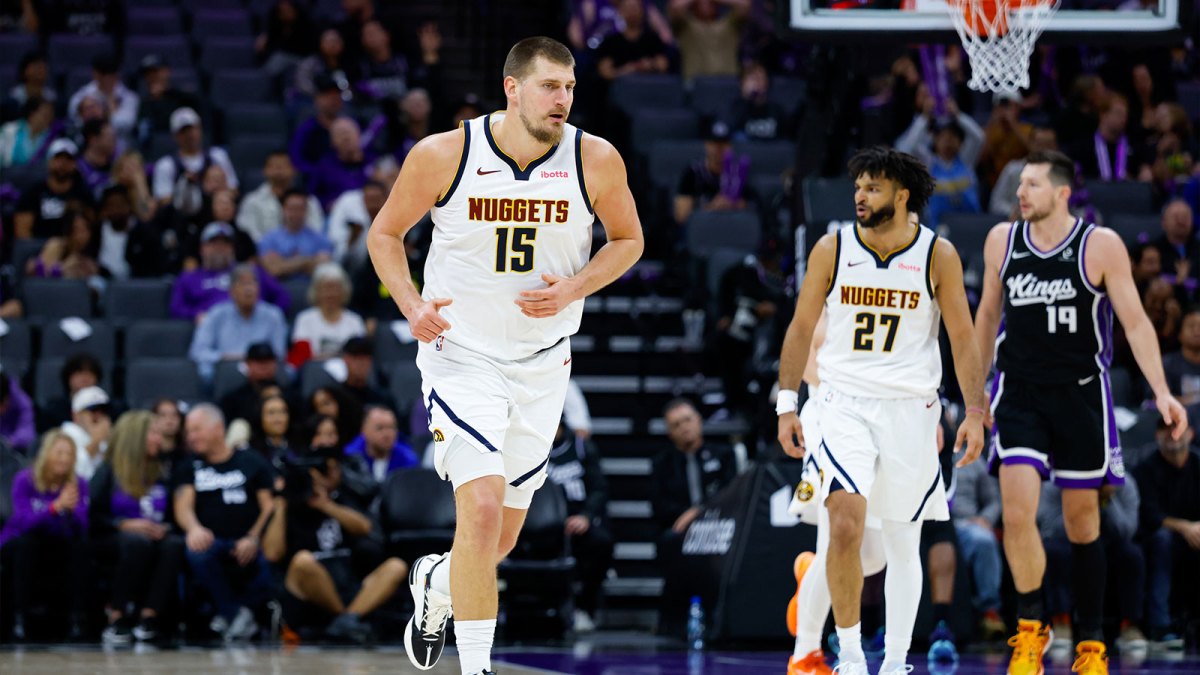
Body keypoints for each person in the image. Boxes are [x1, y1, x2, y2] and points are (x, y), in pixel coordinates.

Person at [366, 36, 643, 675]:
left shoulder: (594, 158)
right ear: (512, 88)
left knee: (500, 538)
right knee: (482, 509)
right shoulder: (445, 153)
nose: (563, 99)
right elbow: (385, 233)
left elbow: (628, 241)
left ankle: (437, 586)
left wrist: (577, 285)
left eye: (570, 87)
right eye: (550, 86)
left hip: (543, 362)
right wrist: (411, 307)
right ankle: (479, 667)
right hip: (460, 354)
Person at [972, 149, 1187, 675]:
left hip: (1082, 395)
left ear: (1063, 192)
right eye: (1020, 184)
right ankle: (1030, 632)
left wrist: (1161, 391)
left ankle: (1091, 644)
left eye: (1032, 185)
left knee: (1082, 523)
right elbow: (986, 316)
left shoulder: (1101, 246)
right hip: (1018, 391)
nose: (1020, 193)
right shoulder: (1002, 240)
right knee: (1018, 513)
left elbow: (1135, 323)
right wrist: (975, 396)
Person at [776, 146, 987, 674]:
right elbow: (801, 328)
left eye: (872, 188)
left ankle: (893, 662)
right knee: (843, 524)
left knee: (898, 542)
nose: (861, 197)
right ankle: (846, 656)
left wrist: (976, 411)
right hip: (843, 402)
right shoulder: (833, 247)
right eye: (857, 189)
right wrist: (786, 404)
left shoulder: (938, 255)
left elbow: (962, 339)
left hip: (910, 410)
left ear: (902, 194)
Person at [785, 313, 888, 675]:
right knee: (836, 545)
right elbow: (805, 363)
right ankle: (805, 655)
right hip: (831, 417)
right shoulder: (828, 282)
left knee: (874, 557)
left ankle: (811, 572)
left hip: (877, 421)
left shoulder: (885, 285)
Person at [263, 445, 408, 644]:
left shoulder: (338, 497)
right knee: (303, 561)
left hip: (346, 583)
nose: (334, 474)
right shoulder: (292, 502)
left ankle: (346, 619)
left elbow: (364, 527)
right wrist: (281, 506)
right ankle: (347, 620)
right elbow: (272, 553)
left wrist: (326, 505)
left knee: (396, 566)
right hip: (306, 593)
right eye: (328, 470)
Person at [173, 404, 275, 641]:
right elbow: (183, 506)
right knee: (197, 553)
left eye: (197, 430)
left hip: (249, 538)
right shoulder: (189, 466)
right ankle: (234, 615)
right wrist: (194, 529)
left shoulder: (251, 461)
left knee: (270, 558)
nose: (191, 437)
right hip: (213, 540)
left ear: (218, 429)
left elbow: (268, 506)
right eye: (188, 432)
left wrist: (253, 536)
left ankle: (234, 616)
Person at [90, 410, 184, 644]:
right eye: (152, 432)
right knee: (136, 542)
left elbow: (172, 514)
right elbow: (92, 516)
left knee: (173, 544)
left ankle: (149, 617)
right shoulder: (109, 471)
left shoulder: (161, 471)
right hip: (112, 536)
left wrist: (164, 528)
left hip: (151, 535)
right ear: (136, 437)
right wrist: (123, 524)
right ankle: (117, 615)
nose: (158, 438)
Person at [0, 430, 90, 641]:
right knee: (27, 545)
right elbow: (22, 523)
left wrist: (71, 510)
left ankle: (77, 620)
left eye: (69, 454)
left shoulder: (78, 484)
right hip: (20, 540)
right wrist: (54, 507)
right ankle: (20, 619)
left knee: (81, 548)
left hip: (58, 541)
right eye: (59, 453)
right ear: (46, 454)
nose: (64, 459)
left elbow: (82, 527)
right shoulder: (25, 480)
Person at [1134, 417, 1200, 651]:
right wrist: (1185, 527)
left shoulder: (1198, 463)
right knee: (1162, 540)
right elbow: (1149, 515)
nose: (1173, 434)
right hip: (1158, 538)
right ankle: (1159, 626)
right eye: (1165, 429)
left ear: (1190, 433)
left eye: (1178, 428)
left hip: (1196, 535)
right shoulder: (1145, 469)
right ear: (1156, 436)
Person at [546, 419, 612, 630]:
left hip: (579, 522)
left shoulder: (581, 446)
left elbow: (599, 488)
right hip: (543, 525)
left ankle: (585, 607)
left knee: (601, 543)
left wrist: (586, 515)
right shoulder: (528, 449)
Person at [169, 222, 290, 323]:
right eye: (214, 243)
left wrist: (265, 315)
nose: (219, 248)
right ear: (202, 248)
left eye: (225, 244)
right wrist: (195, 315)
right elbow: (176, 308)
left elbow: (283, 298)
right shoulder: (189, 277)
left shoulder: (252, 270)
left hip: (252, 326)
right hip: (212, 327)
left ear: (232, 248)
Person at [188, 263, 289, 382]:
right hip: (225, 376)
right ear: (231, 290)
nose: (249, 289)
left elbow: (279, 353)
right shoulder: (216, 314)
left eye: (252, 283)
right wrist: (225, 357)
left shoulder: (273, 315)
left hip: (263, 376)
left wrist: (255, 363)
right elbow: (197, 352)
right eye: (243, 284)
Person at [13, 137, 94, 239]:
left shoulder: (83, 194)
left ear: (75, 164)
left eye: (68, 159)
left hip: (72, 248)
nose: (63, 164)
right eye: (58, 158)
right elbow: (22, 231)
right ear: (49, 161)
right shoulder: (33, 192)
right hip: (37, 249)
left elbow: (91, 227)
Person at [237, 151, 325, 243]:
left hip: (304, 253)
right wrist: (269, 248)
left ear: (294, 170)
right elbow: (248, 231)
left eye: (283, 165)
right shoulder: (252, 201)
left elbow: (316, 229)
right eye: (274, 166)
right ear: (264, 170)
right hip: (264, 253)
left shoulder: (309, 200)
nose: (279, 170)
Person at [292, 262, 366, 362]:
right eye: (326, 288)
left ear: (344, 291)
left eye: (335, 288)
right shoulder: (305, 319)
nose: (331, 294)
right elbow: (302, 357)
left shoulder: (355, 321)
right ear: (316, 291)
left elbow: (359, 356)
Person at [258, 188, 335, 282]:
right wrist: (305, 261)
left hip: (311, 289)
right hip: (279, 288)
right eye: (291, 209)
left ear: (307, 210)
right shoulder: (269, 239)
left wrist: (284, 263)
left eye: (300, 209)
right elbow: (274, 270)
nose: (296, 213)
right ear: (283, 209)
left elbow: (323, 269)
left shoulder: (320, 239)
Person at [342, 405, 418, 487]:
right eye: (380, 428)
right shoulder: (350, 458)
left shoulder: (408, 460)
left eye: (391, 427)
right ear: (364, 430)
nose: (387, 434)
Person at [62, 385, 113, 481]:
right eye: (93, 410)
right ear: (76, 415)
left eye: (103, 410)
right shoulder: (66, 435)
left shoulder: (108, 435)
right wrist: (96, 441)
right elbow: (73, 473)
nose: (99, 415)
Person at [0, 370, 35, 454]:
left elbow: (28, 432)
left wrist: (10, 442)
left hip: (15, 452)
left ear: (6, 399)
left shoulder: (23, 402)